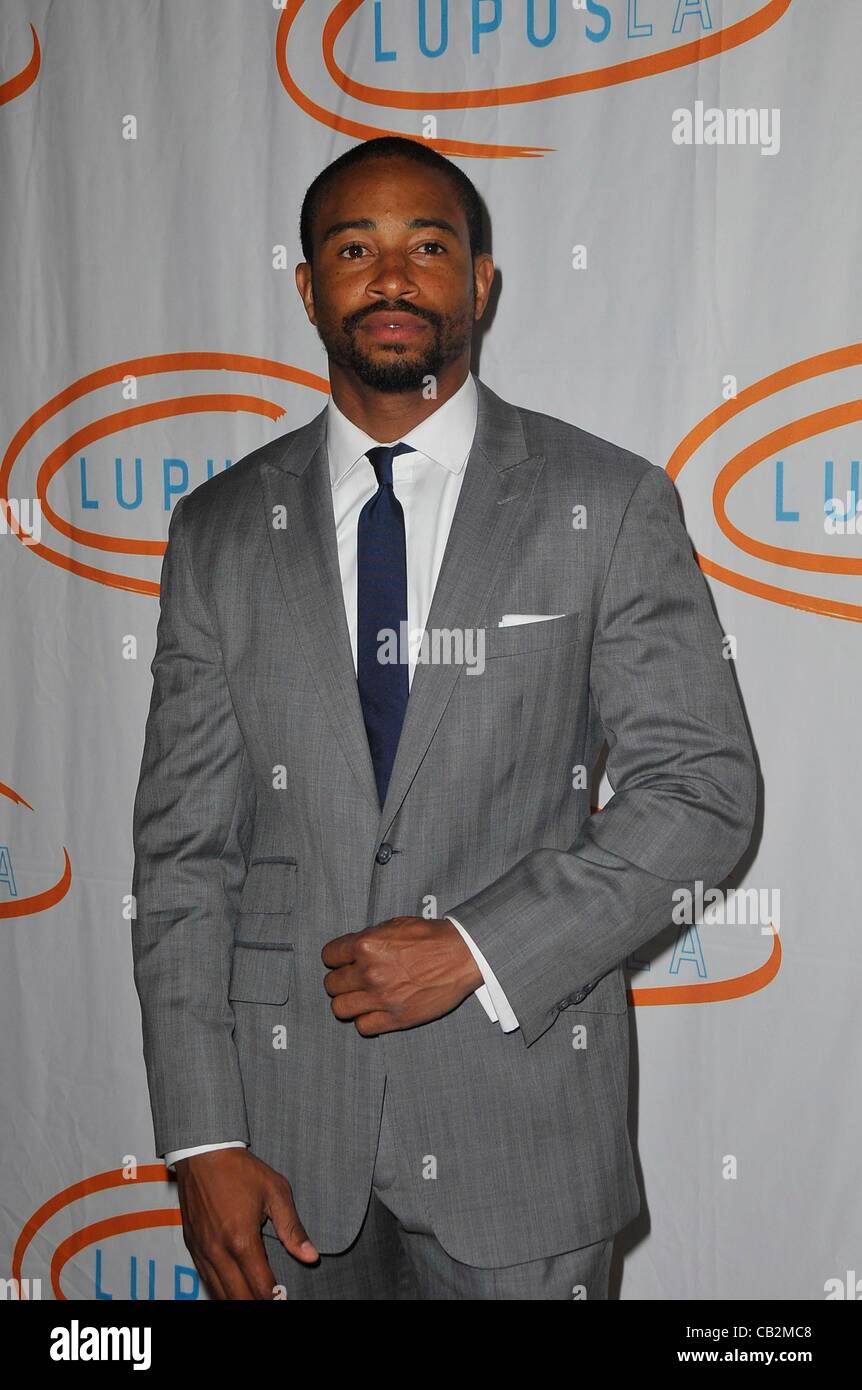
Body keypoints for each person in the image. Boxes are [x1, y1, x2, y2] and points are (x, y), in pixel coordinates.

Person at [131, 135, 757, 1300]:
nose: (392, 277)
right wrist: (202, 1138)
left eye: (428, 246)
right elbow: (182, 858)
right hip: (279, 1148)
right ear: (310, 286)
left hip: (521, 1133)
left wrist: (476, 947)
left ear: (479, 282)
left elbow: (701, 792)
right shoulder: (216, 531)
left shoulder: (604, 501)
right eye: (354, 249)